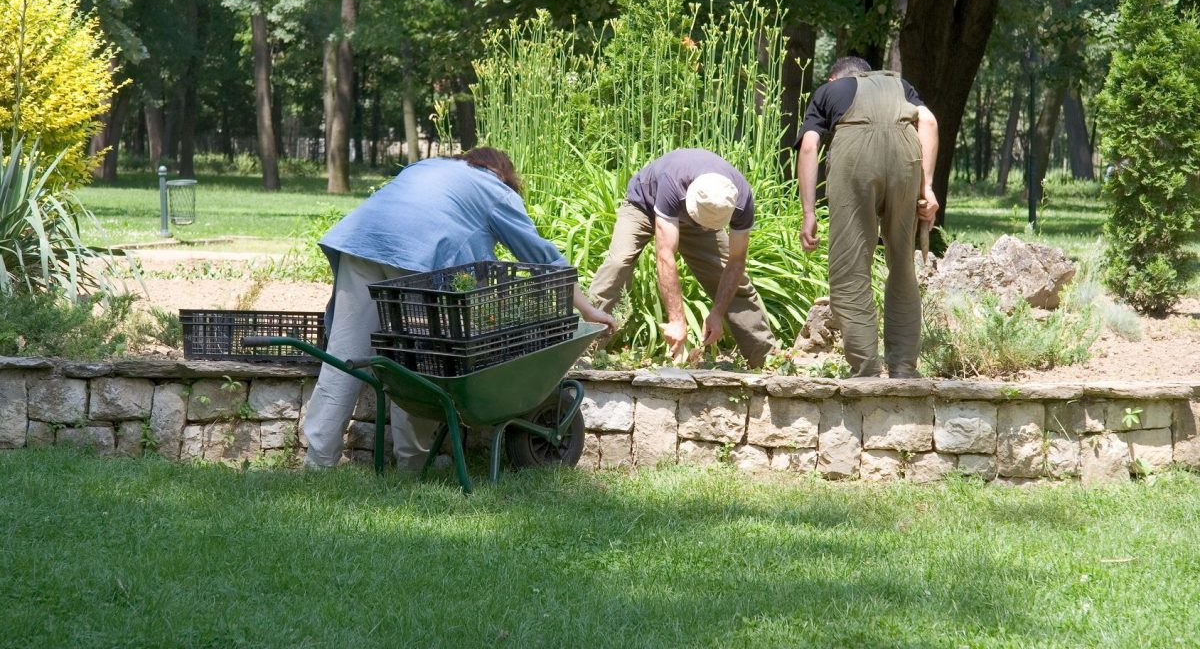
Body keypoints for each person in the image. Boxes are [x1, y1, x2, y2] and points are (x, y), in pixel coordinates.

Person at [305, 147, 615, 470]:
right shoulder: (495, 190)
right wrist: (589, 311)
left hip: (361, 243)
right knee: (418, 363)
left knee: (343, 356)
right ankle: (412, 465)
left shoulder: (428, 167)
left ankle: (317, 460)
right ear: (501, 173)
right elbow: (542, 257)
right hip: (415, 256)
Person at [796, 57, 939, 378]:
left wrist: (808, 213)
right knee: (902, 262)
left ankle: (866, 368)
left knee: (850, 266)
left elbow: (809, 146)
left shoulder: (829, 91)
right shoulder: (899, 85)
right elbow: (928, 122)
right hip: (906, 154)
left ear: (836, 79)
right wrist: (926, 186)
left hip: (855, 154)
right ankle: (903, 366)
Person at [588, 148, 775, 367]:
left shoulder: (741, 198)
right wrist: (677, 321)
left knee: (731, 279)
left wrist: (717, 312)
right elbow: (665, 254)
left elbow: (736, 262)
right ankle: (582, 351)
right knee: (618, 264)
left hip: (692, 215)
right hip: (643, 205)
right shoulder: (674, 183)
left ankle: (767, 360)